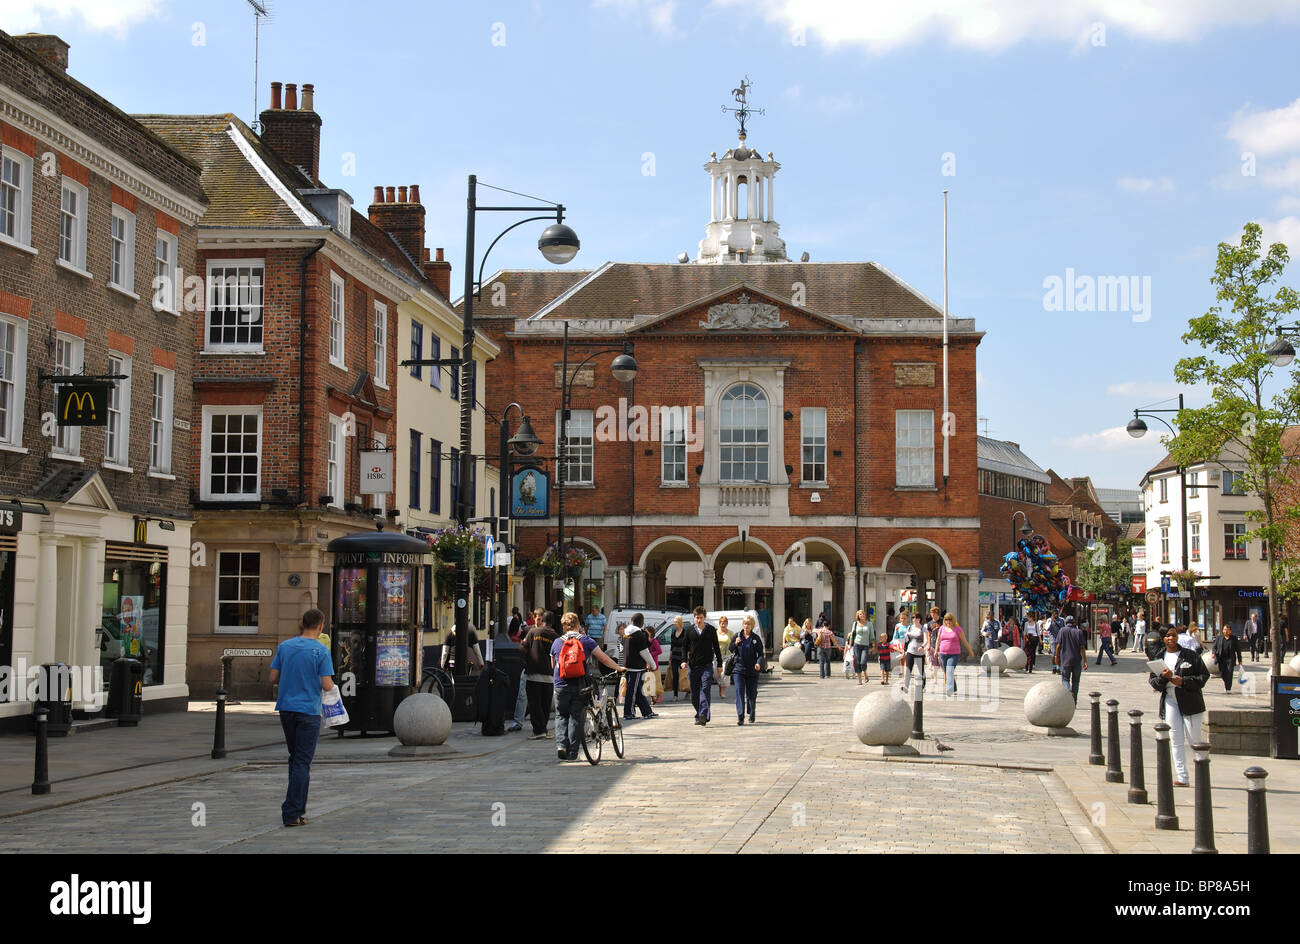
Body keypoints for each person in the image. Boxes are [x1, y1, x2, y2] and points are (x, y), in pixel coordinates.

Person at [268, 608, 335, 827]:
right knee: (302, 762)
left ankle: (294, 809)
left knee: (295, 757)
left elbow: (272, 678)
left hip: (286, 708)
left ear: (301, 623)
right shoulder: (321, 651)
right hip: (308, 710)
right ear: (320, 626)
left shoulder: (285, 647)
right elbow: (327, 684)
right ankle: (292, 811)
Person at [550, 612, 623, 762]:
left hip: (560, 685)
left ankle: (561, 746)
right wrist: (618, 668)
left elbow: (553, 665)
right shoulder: (586, 641)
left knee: (561, 715)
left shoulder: (557, 642)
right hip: (580, 685)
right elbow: (602, 658)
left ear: (564, 626)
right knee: (576, 718)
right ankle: (572, 754)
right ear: (578, 625)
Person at [1150, 623, 1210, 786]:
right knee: (1174, 738)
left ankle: (1202, 771)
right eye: (1168, 635)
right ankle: (1182, 776)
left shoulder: (1189, 655)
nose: (1171, 638)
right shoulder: (1159, 657)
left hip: (1190, 699)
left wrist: (1183, 681)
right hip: (1170, 699)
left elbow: (1203, 676)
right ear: (1163, 638)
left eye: (1174, 635)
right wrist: (1165, 678)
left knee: (1194, 739)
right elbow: (1154, 682)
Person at [682, 605, 722, 725]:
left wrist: (719, 664)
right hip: (694, 667)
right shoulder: (689, 631)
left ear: (704, 618)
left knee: (705, 689)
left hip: (707, 666)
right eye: (696, 618)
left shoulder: (710, 630)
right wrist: (684, 660)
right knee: (694, 695)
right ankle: (699, 714)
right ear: (694, 618)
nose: (698, 620)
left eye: (700, 618)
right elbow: (684, 647)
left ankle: (703, 714)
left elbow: (716, 647)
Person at [520, 611, 558, 738]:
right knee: (545, 704)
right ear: (553, 622)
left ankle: (538, 730)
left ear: (543, 620)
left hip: (534, 673)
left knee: (535, 703)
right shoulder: (555, 636)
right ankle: (544, 729)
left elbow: (524, 647)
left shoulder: (533, 632)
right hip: (549, 675)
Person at [620, 615, 659, 720]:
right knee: (632, 692)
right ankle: (628, 713)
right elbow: (644, 652)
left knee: (638, 691)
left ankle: (647, 712)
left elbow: (621, 648)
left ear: (632, 621)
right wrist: (653, 664)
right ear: (641, 622)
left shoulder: (625, 634)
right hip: (636, 667)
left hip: (627, 665)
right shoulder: (639, 634)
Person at [729, 614, 765, 724]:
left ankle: (752, 713)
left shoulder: (755, 638)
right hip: (738, 669)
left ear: (752, 626)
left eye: (748, 624)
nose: (746, 626)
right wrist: (735, 643)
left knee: (751, 694)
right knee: (739, 693)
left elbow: (760, 654)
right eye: (745, 624)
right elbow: (731, 649)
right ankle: (740, 717)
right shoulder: (737, 636)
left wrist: (758, 663)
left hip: (752, 671)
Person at [935, 612, 974, 695]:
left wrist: (970, 651)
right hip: (942, 653)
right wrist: (935, 650)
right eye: (946, 619)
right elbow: (938, 640)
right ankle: (954, 687)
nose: (948, 621)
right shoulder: (941, 628)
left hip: (954, 654)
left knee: (949, 670)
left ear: (953, 620)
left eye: (950, 619)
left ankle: (949, 689)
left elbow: (964, 641)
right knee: (947, 671)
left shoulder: (957, 629)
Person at [1053, 615, 1088, 703]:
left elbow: (1058, 646)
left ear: (1066, 622)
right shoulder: (1079, 632)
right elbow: (1082, 648)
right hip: (1076, 660)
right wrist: (1085, 661)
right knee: (1076, 682)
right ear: (1074, 623)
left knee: (1065, 679)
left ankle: (1068, 691)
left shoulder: (1062, 631)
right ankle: (1074, 701)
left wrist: (1057, 658)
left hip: (1065, 660)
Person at [1211, 624, 1240, 694]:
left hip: (1230, 659)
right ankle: (1226, 683)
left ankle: (1228, 688)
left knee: (1229, 673)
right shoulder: (1219, 638)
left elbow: (1238, 650)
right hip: (1221, 658)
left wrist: (1240, 660)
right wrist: (1214, 653)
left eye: (1227, 630)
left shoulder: (1234, 638)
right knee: (1222, 673)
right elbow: (1214, 647)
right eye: (1224, 630)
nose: (1225, 631)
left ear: (1230, 631)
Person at [901, 615, 927, 693]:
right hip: (910, 650)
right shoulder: (910, 627)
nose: (913, 619)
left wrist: (922, 646)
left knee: (920, 670)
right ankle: (906, 686)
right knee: (908, 669)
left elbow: (926, 639)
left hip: (920, 652)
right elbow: (906, 639)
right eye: (912, 618)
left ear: (919, 619)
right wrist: (904, 649)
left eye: (915, 618)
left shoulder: (923, 628)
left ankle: (923, 684)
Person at [849, 609, 873, 686]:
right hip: (857, 644)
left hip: (865, 645)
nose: (862, 615)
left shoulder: (869, 624)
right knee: (857, 662)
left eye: (863, 614)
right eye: (860, 614)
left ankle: (865, 674)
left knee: (863, 662)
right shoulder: (855, 624)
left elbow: (872, 635)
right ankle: (860, 680)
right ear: (858, 616)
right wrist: (850, 644)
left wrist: (874, 645)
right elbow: (852, 635)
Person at [668, 614, 689, 700]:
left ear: (680, 623)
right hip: (674, 657)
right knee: (675, 676)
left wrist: (687, 658)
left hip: (682, 657)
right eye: (674, 622)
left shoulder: (685, 633)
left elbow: (687, 646)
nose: (674, 624)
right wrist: (669, 658)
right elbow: (672, 647)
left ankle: (688, 691)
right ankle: (675, 695)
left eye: (676, 622)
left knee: (684, 676)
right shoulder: (673, 633)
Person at [715, 615, 734, 699]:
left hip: (727, 656)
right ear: (719, 624)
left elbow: (734, 643)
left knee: (724, 673)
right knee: (717, 674)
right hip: (716, 656)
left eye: (725, 623)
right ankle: (720, 685)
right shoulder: (715, 633)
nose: (723, 625)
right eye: (722, 623)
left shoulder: (730, 633)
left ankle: (723, 691)